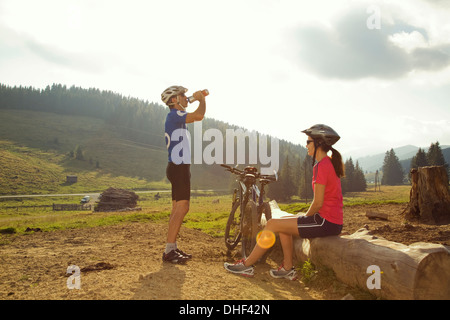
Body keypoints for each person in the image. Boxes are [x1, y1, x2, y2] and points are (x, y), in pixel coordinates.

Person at [224, 124, 345, 279]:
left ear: (319, 144)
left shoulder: (322, 166)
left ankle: (246, 265)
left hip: (326, 222)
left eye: (308, 142)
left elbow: (318, 202)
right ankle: (287, 267)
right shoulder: (327, 163)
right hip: (328, 220)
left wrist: (304, 218)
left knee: (273, 224)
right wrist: (303, 218)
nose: (306, 145)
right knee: (281, 223)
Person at [161, 85, 206, 264]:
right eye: (182, 95)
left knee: (176, 209)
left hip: (177, 166)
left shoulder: (176, 118)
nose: (186, 97)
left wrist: (198, 98)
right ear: (174, 100)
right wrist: (202, 100)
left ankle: (171, 248)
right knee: (183, 207)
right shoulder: (174, 115)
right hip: (178, 167)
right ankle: (169, 250)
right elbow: (199, 116)